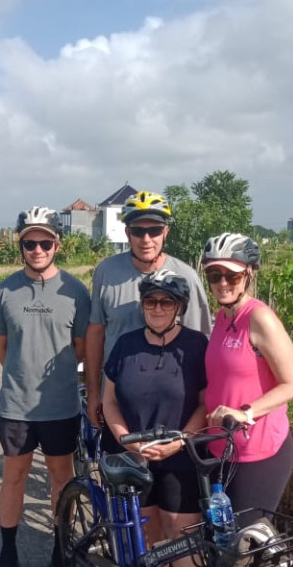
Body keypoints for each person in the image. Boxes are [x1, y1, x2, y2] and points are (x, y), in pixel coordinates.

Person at [202, 233, 293, 567]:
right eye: (213, 275)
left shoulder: (259, 318)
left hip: (260, 450)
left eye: (230, 274)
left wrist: (246, 409)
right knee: (229, 545)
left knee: (251, 549)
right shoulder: (223, 317)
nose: (222, 282)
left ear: (249, 274)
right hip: (224, 449)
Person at [0, 206, 90, 567]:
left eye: (45, 241)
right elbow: (2, 349)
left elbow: (80, 349)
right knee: (14, 476)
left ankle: (61, 550)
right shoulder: (3, 292)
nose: (37, 249)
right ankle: (8, 553)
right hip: (15, 405)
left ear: (57, 245)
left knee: (62, 477)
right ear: (21, 246)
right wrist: (23, 371)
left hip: (60, 406)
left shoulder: (76, 292)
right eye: (30, 242)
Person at [102, 270, 207, 567]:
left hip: (180, 456)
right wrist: (126, 439)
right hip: (136, 457)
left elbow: (205, 404)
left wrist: (182, 439)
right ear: (142, 306)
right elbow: (108, 400)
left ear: (178, 307)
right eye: (151, 301)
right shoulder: (126, 345)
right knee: (148, 532)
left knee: (182, 536)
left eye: (166, 302)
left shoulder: (196, 346)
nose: (157, 308)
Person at [86, 190, 211, 449]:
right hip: (119, 403)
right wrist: (94, 393)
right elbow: (96, 332)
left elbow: (200, 344)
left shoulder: (186, 276)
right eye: (137, 231)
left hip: (173, 408)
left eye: (154, 230)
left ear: (165, 232)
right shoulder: (106, 272)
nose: (146, 239)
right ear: (126, 232)